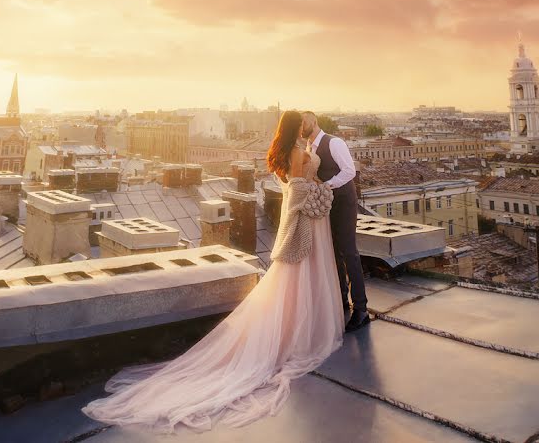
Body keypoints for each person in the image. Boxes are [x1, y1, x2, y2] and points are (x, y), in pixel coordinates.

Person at [82, 110, 344, 434]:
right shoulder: (295, 153)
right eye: (302, 122)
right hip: (307, 218)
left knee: (294, 279)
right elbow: (301, 187)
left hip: (305, 216)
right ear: (296, 127)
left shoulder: (288, 150)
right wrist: (322, 190)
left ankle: (296, 328)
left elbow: (294, 184)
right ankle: (302, 334)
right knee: (303, 274)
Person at [300, 111, 370, 332]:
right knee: (334, 253)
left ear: (314, 121)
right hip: (327, 205)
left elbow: (349, 171)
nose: (301, 127)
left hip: (344, 202)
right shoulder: (309, 148)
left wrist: (326, 186)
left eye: (304, 122)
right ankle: (341, 301)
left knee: (349, 252)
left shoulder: (334, 142)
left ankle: (361, 309)